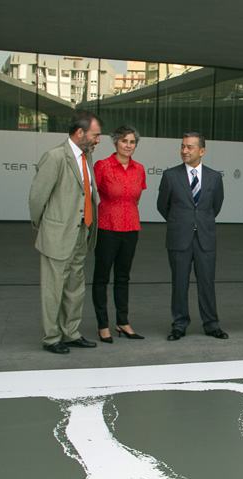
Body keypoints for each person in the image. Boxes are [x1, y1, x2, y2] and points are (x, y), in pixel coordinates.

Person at [29, 111, 102, 354]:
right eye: (95, 135)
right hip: (58, 235)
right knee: (53, 290)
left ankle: (71, 333)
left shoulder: (86, 156)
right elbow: (37, 196)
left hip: (81, 231)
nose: (98, 140)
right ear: (80, 133)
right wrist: (40, 223)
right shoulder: (55, 157)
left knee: (75, 288)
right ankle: (51, 338)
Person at [157, 133, 228, 341]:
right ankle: (179, 325)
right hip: (179, 237)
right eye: (182, 146)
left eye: (189, 147)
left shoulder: (214, 177)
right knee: (179, 283)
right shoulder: (170, 175)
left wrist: (199, 222)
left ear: (202, 151)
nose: (184, 151)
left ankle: (211, 324)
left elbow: (215, 206)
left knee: (207, 283)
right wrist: (181, 222)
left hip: (205, 238)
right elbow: (163, 206)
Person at [92, 125, 147, 343]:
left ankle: (122, 322)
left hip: (131, 228)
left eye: (132, 142)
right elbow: (90, 196)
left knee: (123, 277)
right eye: (124, 141)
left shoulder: (139, 169)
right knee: (102, 277)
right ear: (116, 142)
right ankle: (103, 325)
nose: (128, 145)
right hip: (107, 227)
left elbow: (136, 199)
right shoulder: (103, 166)